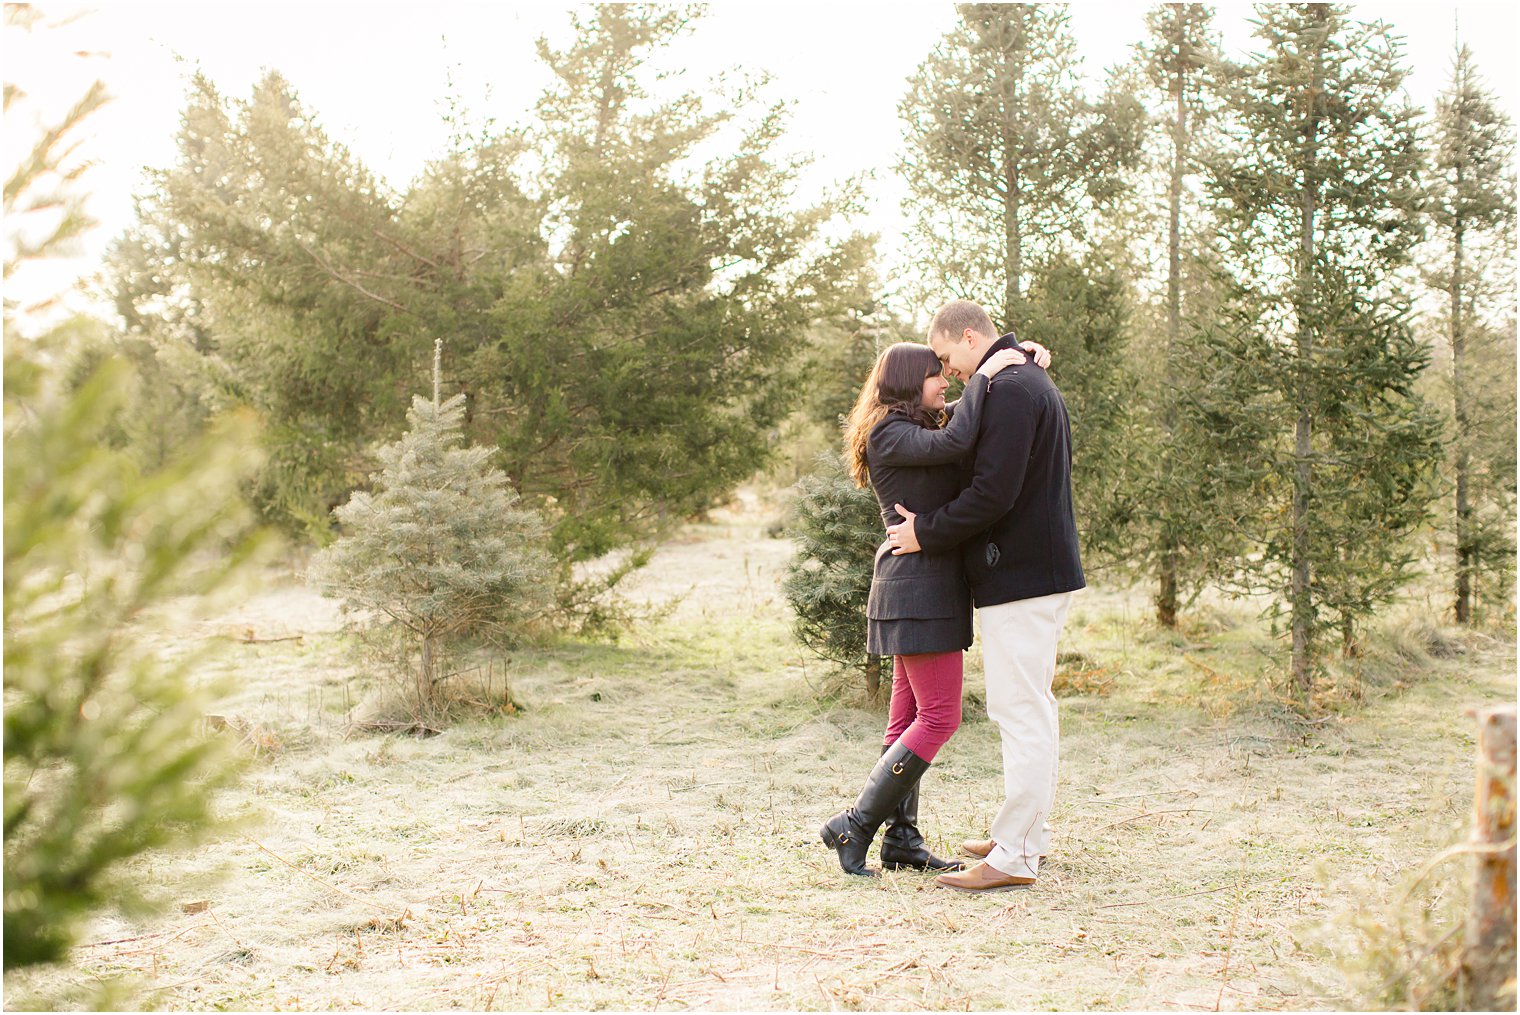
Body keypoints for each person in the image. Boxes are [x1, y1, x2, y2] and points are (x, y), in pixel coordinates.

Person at [819, 338, 1048, 877]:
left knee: (905, 721)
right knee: (940, 717)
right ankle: (855, 822)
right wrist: (990, 369)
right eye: (934, 374)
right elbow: (965, 434)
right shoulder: (891, 432)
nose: (945, 380)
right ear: (905, 382)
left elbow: (966, 435)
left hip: (920, 587)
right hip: (918, 589)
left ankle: (901, 839)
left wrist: (1026, 358)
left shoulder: (916, 428)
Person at [886, 299, 1085, 894]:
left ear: (970, 338)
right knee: (1031, 707)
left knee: (1019, 711)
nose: (951, 374)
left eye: (949, 358)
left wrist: (925, 531)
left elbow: (992, 492)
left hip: (1022, 574)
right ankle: (1022, 835)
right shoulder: (1025, 377)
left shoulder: (1012, 388)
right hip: (1034, 571)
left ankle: (1015, 856)